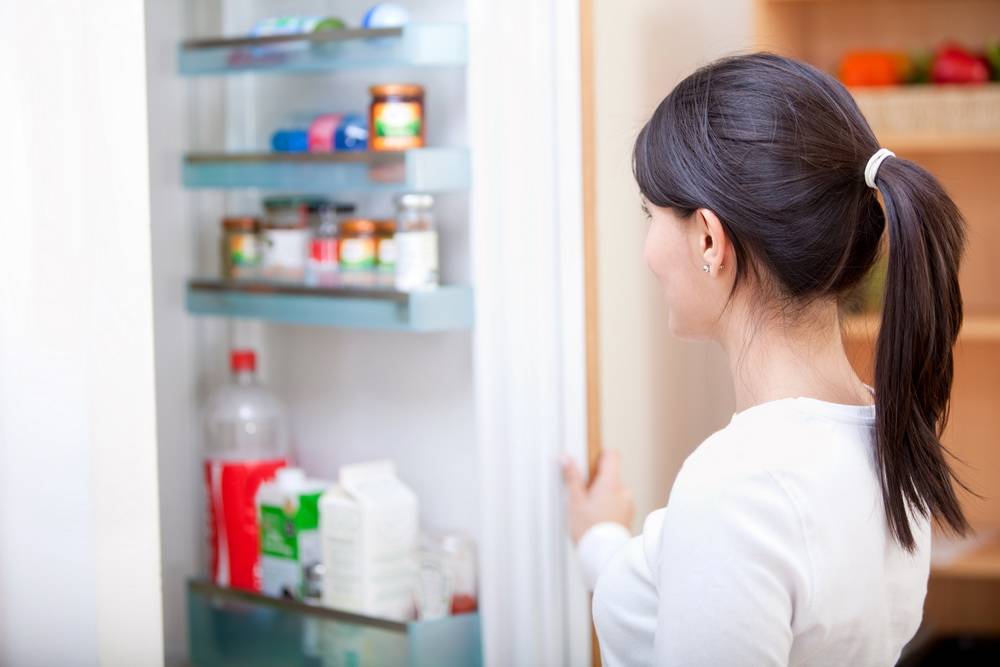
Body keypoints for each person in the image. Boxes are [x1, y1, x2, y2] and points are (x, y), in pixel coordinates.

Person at [562, 52, 970, 666]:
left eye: (652, 216)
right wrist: (599, 537)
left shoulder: (739, 487)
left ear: (707, 238)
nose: (647, 251)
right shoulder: (891, 439)